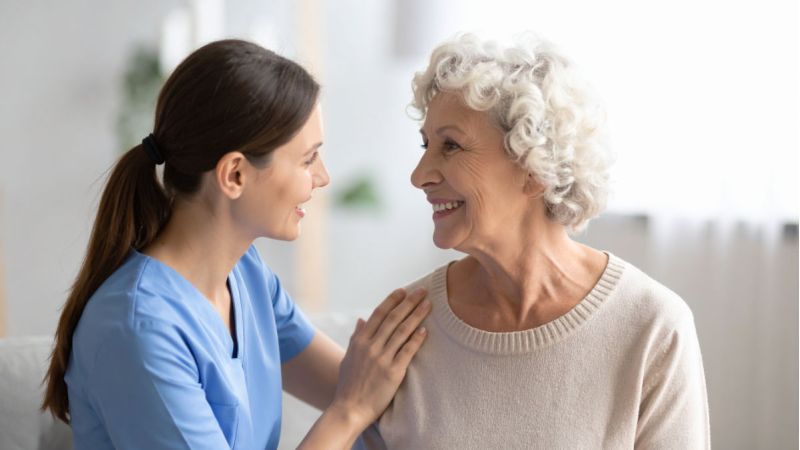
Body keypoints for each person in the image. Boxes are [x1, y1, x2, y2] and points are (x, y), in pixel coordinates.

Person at [41, 39, 431, 450]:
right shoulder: (138, 330)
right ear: (235, 175)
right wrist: (349, 411)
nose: (322, 177)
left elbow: (368, 393)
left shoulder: (246, 274)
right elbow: (354, 400)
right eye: (307, 159)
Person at [365, 33, 710, 449]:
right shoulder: (406, 323)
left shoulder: (652, 327)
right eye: (426, 144)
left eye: (451, 146)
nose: (419, 176)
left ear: (534, 168)